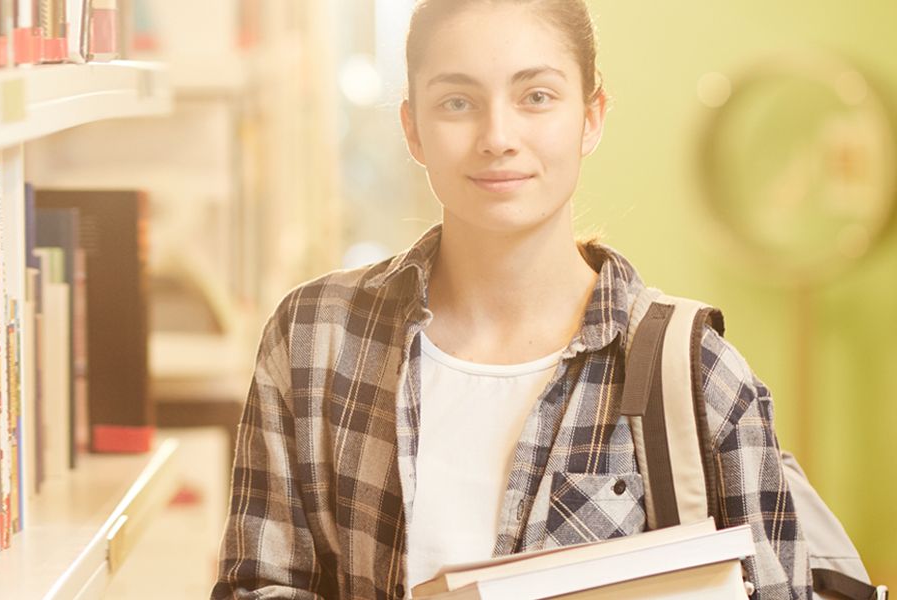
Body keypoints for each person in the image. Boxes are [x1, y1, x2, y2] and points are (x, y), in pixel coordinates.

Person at [209, 1, 808, 598]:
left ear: (591, 117)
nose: (498, 138)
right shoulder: (314, 339)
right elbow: (260, 585)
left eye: (537, 97)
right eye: (458, 103)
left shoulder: (698, 375)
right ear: (413, 128)